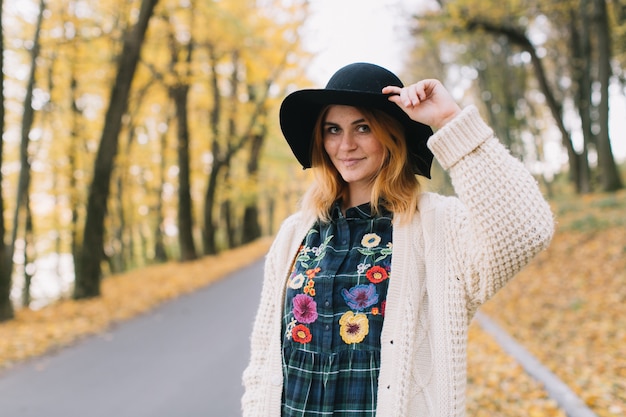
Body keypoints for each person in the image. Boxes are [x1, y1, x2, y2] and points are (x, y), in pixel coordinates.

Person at [241, 62, 554, 417]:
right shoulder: (296, 234)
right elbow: (263, 358)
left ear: (390, 134)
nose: (345, 145)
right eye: (333, 129)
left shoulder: (436, 227)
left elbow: (526, 231)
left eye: (363, 127)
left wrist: (450, 120)